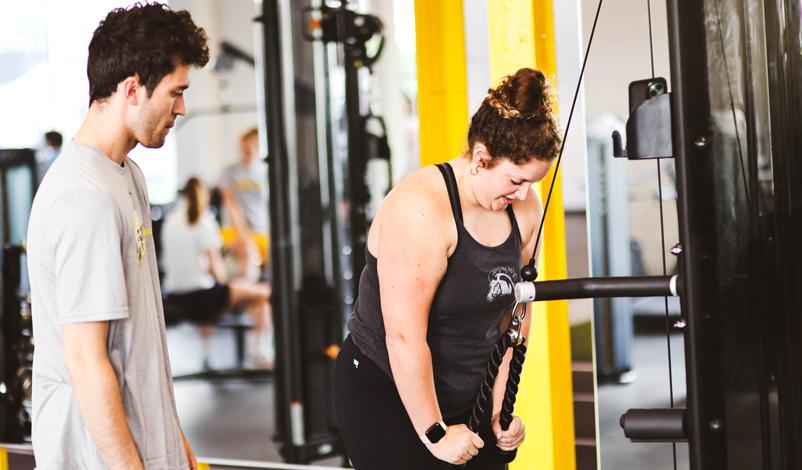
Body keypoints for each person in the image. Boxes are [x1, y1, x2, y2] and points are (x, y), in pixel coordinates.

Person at [334, 68, 562, 469]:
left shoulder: (524, 208)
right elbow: (404, 338)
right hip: (387, 388)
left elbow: (516, 319)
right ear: (480, 157)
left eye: (532, 182)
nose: (523, 193)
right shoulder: (421, 209)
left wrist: (498, 412)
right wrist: (435, 431)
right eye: (515, 180)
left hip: (467, 388)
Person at [26, 4, 208, 469]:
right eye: (176, 92)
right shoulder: (83, 198)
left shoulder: (127, 176)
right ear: (133, 89)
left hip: (147, 442)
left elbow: (139, 343)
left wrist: (175, 442)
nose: (182, 108)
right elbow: (86, 362)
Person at [161, 177, 272, 368]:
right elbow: (218, 274)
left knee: (212, 292)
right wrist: (236, 281)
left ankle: (205, 355)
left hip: (174, 298)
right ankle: (258, 354)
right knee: (264, 293)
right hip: (203, 298)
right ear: (205, 196)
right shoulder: (205, 222)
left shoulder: (169, 222)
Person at [219, 127, 269, 281]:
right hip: (235, 231)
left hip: (261, 230)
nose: (247, 150)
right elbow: (230, 203)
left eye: (252, 146)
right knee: (246, 274)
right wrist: (243, 234)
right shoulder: (230, 172)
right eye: (244, 146)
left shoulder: (265, 172)